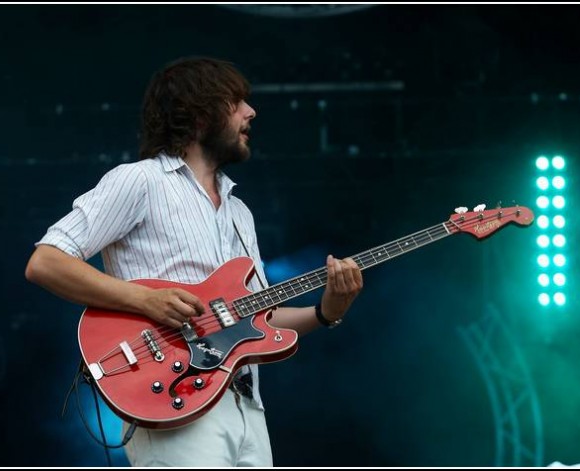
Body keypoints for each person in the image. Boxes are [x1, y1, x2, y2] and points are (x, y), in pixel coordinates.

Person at [24, 56, 364, 467]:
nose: (250, 112)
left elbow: (260, 319)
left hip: (245, 407)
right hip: (172, 400)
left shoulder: (240, 212)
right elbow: (46, 262)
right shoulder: (141, 180)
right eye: (237, 101)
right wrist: (144, 300)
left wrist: (327, 312)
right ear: (200, 115)